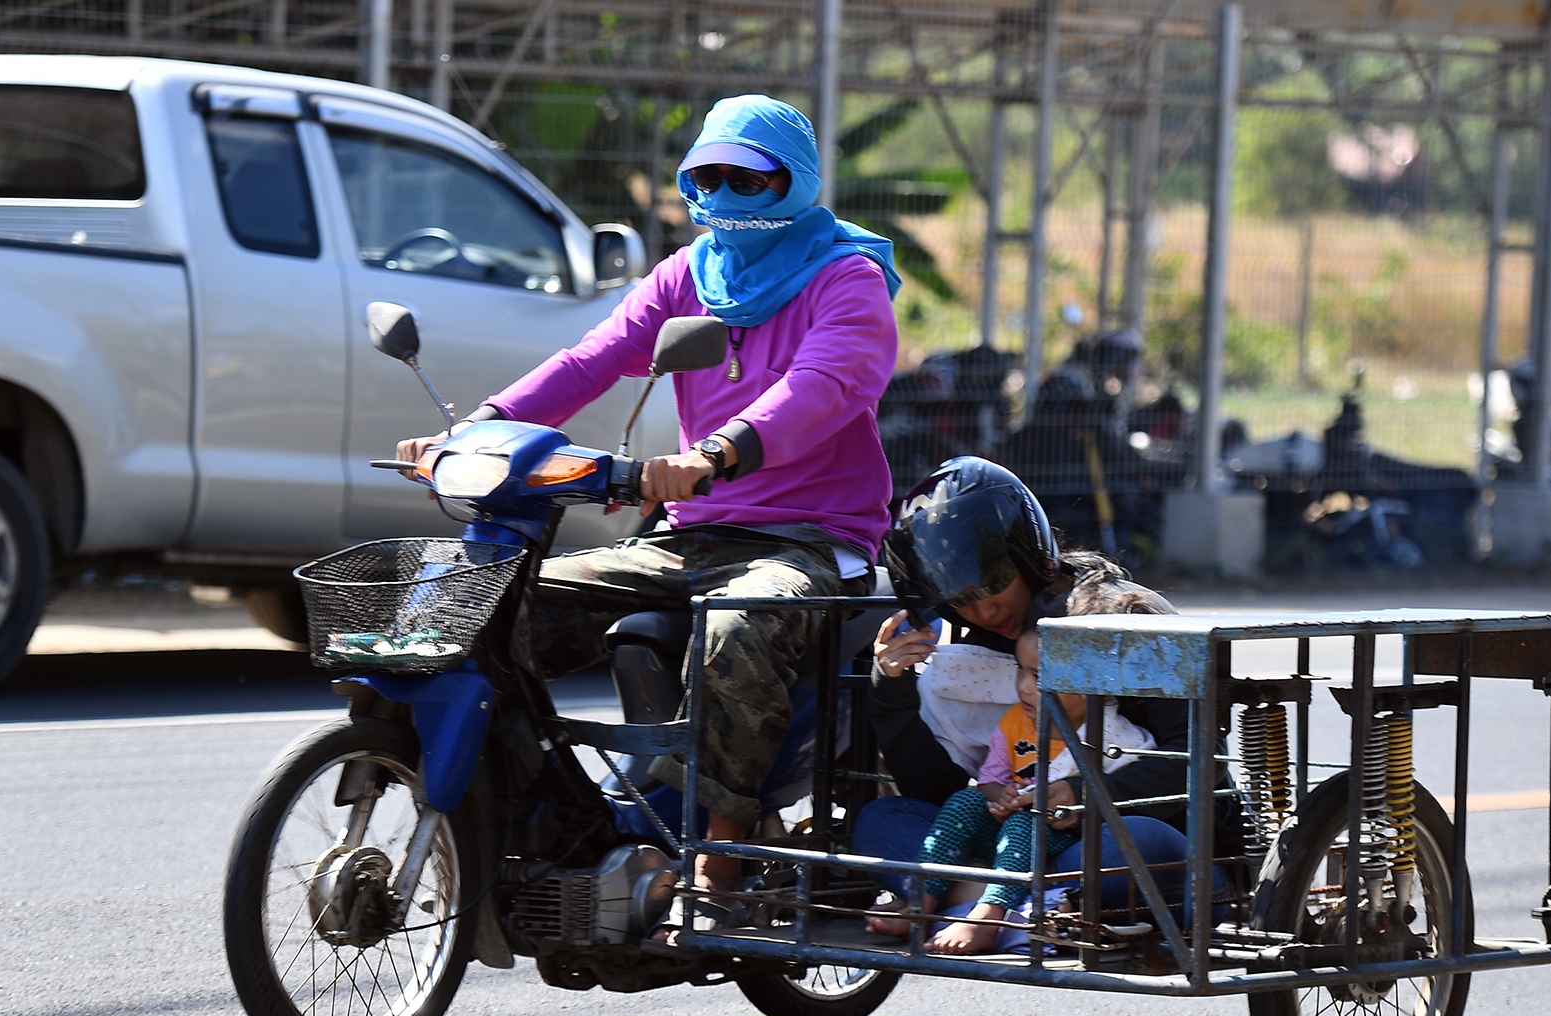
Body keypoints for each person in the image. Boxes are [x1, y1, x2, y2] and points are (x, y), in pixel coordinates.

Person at [396, 94, 901, 932]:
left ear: (796, 179)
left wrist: (717, 453)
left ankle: (722, 853)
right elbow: (590, 359)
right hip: (694, 535)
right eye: (709, 175)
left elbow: (824, 387)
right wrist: (476, 432)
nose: (727, 193)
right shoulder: (688, 274)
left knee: (742, 624)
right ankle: (547, 810)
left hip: (811, 541)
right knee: (502, 600)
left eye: (749, 175)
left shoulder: (845, 277)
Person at [860, 457, 1242, 927]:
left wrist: (1083, 795)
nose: (983, 609)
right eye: (960, 599)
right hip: (1019, 837)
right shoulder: (976, 639)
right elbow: (937, 792)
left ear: (1028, 552)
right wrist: (891, 688)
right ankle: (1011, 898)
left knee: (1140, 846)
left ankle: (967, 894)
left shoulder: (1122, 614)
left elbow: (1196, 762)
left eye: (992, 583)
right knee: (880, 821)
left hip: (1128, 836)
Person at [871, 581, 1159, 954]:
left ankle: (990, 914)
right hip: (1012, 838)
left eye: (1039, 678)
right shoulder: (1016, 722)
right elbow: (990, 779)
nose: (1024, 686)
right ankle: (924, 900)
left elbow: (1130, 799)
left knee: (1035, 824)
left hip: (1070, 844)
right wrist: (1000, 796)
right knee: (959, 804)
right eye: (1022, 670)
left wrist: (1076, 797)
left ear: (1095, 682)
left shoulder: (1115, 736)